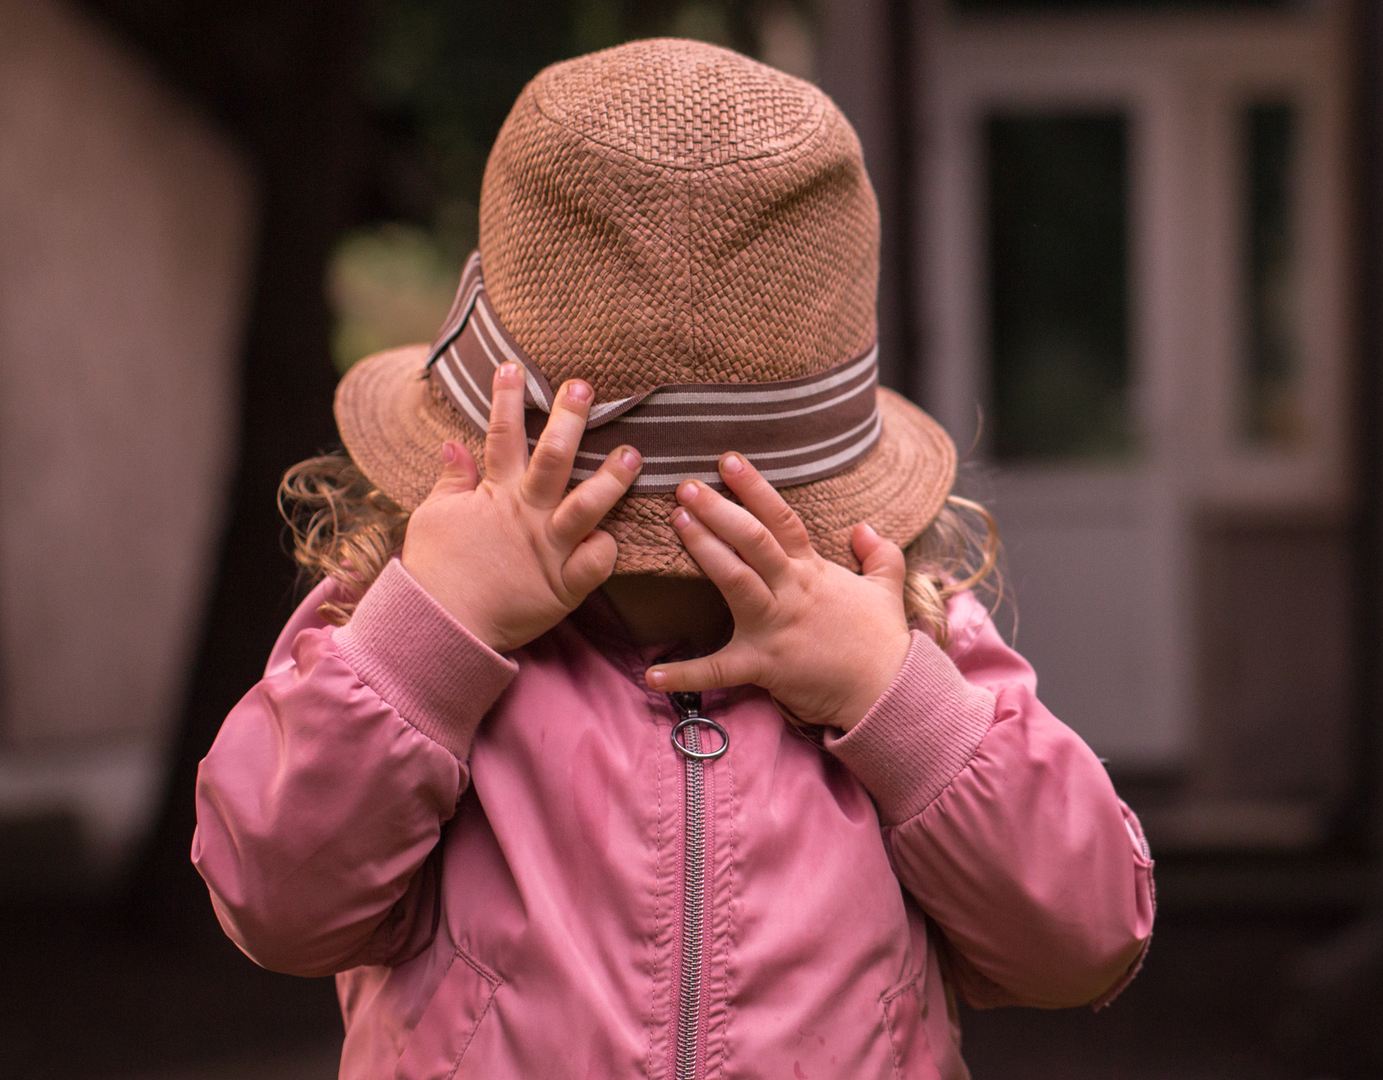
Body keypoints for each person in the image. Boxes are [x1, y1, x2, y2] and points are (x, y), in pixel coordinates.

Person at [189, 36, 1154, 1079]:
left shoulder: (901, 631)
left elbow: (1086, 939)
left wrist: (895, 699)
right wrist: (430, 632)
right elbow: (273, 899)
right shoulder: (409, 628)